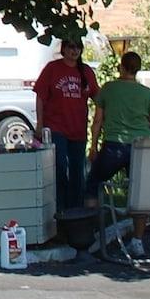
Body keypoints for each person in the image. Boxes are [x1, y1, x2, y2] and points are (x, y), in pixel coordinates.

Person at [87, 51, 150, 255]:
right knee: (139, 193)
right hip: (141, 147)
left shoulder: (109, 89)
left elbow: (97, 121)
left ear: (120, 66)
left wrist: (93, 146)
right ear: (137, 69)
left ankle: (90, 231)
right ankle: (138, 241)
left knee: (93, 183)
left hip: (114, 145)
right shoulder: (146, 93)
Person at [33, 36, 98, 211]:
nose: (74, 50)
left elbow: (98, 97)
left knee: (78, 171)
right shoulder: (52, 69)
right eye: (70, 46)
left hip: (78, 129)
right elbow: (40, 96)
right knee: (59, 167)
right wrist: (39, 124)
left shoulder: (86, 72)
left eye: (77, 47)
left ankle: (75, 211)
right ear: (63, 49)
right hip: (56, 127)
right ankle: (59, 208)